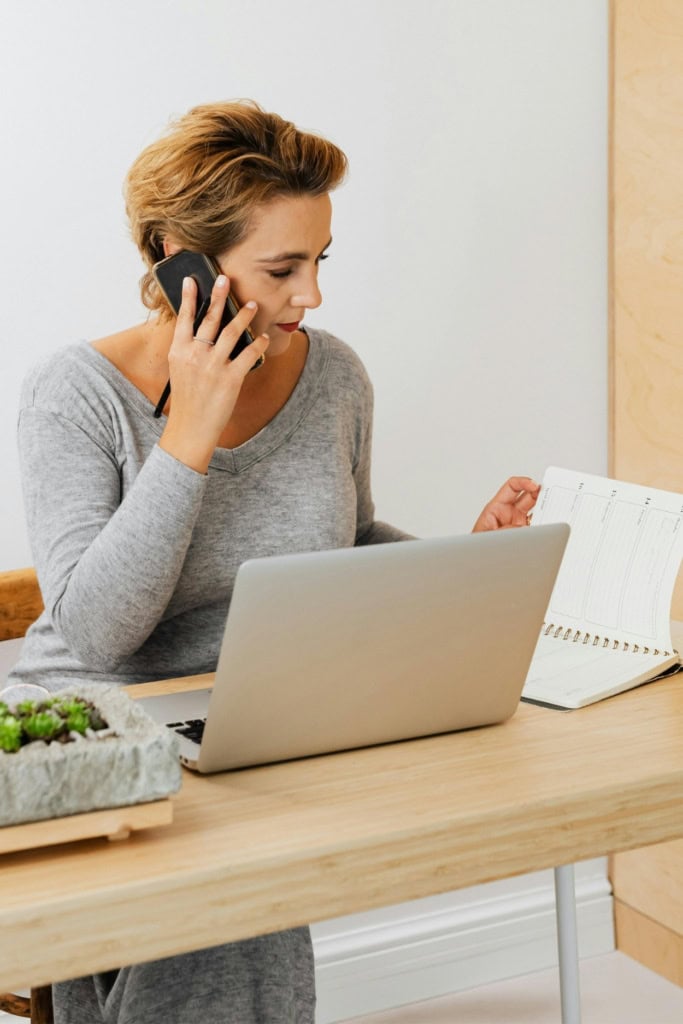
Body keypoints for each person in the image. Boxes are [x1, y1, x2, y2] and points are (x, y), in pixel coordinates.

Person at [9, 100, 539, 1024]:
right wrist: (190, 434)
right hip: (95, 726)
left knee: (241, 871)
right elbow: (95, 632)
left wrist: (461, 563)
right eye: (282, 269)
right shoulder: (74, 395)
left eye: (319, 262)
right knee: (231, 895)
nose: (312, 297)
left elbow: (346, 542)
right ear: (178, 259)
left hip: (255, 719)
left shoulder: (331, 374)